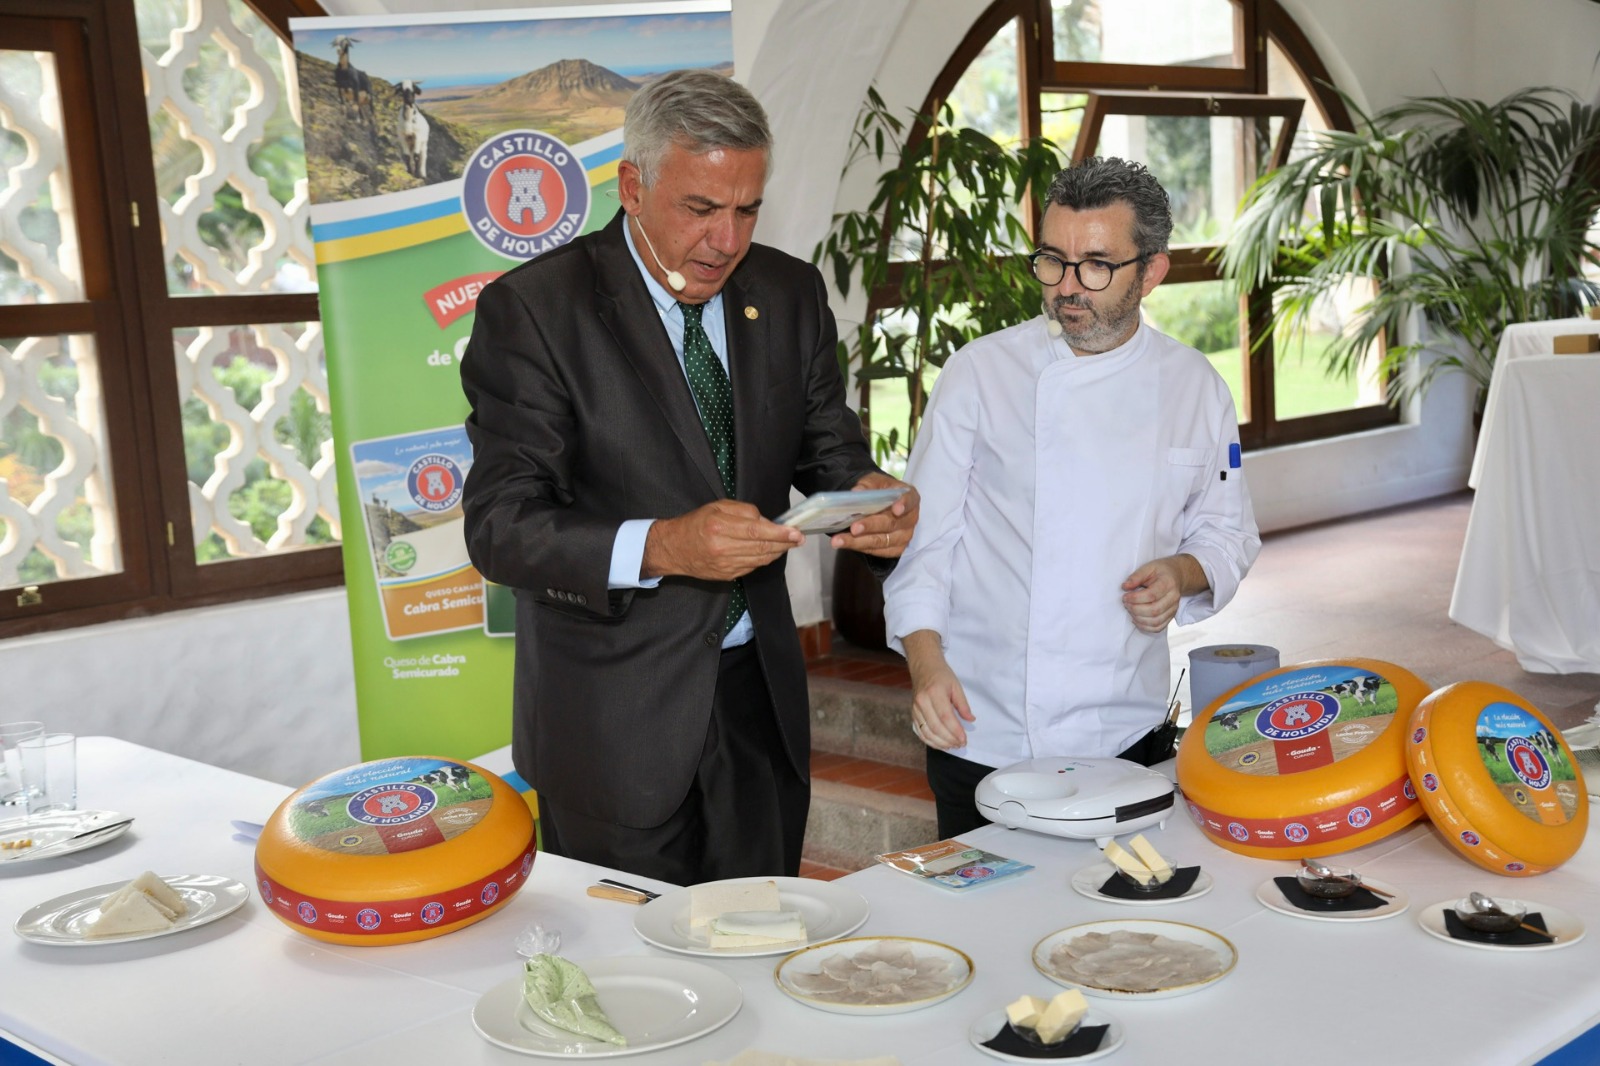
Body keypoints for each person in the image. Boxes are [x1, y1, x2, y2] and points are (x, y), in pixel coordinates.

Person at [459, 69, 916, 886]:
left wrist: (875, 495)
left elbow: (827, 447)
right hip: (611, 721)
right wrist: (663, 546)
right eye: (700, 209)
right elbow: (502, 526)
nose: (725, 241)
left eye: (746, 210)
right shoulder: (535, 311)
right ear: (633, 186)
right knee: (631, 981)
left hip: (758, 702)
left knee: (764, 945)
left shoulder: (788, 292)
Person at [882, 156, 1259, 838]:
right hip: (982, 724)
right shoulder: (980, 375)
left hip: (1123, 725)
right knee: (987, 929)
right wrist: (926, 665)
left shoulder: (1194, 385)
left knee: (1119, 928)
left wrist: (1180, 573)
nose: (1066, 288)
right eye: (1052, 261)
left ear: (1152, 272)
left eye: (1095, 264)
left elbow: (1227, 533)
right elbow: (926, 545)